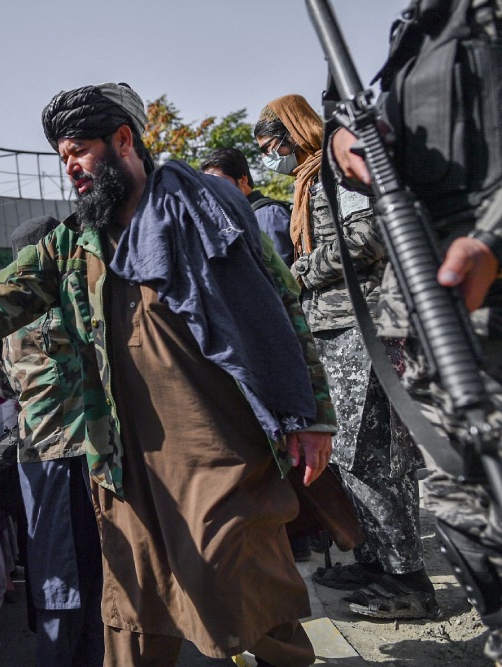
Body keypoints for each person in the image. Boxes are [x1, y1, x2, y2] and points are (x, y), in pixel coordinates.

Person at [0, 82, 337, 666]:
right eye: (63, 158)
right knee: (133, 614)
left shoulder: (202, 209)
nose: (71, 169)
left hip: (217, 453)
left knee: (246, 595)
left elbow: (281, 312)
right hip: (123, 459)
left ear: (124, 140)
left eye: (78, 151)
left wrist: (312, 414)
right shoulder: (71, 244)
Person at [327, 0, 502, 658]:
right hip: (433, 316)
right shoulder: (415, 32)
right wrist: (343, 138)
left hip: (480, 289)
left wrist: (492, 241)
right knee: (460, 504)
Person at [255, 95, 439, 619]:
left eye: (274, 144)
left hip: (364, 327)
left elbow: (370, 235)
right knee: (355, 456)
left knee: (376, 455)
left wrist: (303, 271)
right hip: (335, 329)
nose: (273, 156)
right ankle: (379, 561)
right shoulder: (309, 181)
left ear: (293, 131)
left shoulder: (337, 172)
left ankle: (408, 580)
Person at [0, 215, 103, 667]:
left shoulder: (6, 309)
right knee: (74, 579)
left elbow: (2, 385)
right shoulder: (50, 303)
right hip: (67, 450)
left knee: (58, 574)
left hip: (37, 452)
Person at [200, 146, 296, 265]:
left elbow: (284, 273)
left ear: (243, 180)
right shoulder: (236, 219)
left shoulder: (267, 215)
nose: (213, 189)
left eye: (219, 181)